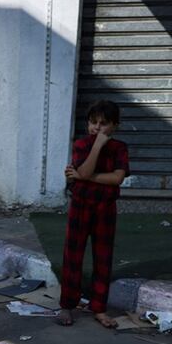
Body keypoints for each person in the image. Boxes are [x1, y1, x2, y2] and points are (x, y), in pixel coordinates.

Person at [56, 99, 130, 329]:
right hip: (81, 205)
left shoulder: (119, 148)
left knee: (103, 258)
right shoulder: (82, 145)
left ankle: (98, 307)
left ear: (115, 125)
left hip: (105, 207)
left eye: (104, 124)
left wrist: (81, 176)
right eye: (93, 122)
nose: (97, 128)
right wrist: (97, 147)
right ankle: (67, 305)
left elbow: (116, 178)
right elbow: (86, 170)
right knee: (73, 255)